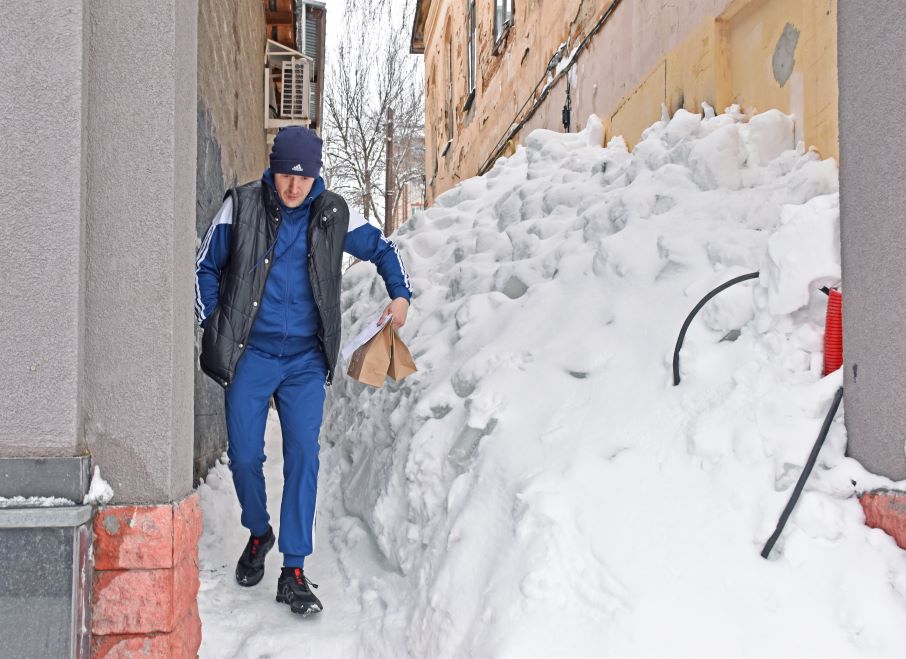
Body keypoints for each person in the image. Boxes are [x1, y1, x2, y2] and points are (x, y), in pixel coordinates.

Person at [194, 125, 411, 615]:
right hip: (251, 352)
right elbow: (205, 265)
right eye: (286, 175)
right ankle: (258, 531)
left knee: (303, 458)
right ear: (272, 169)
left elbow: (380, 247)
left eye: (304, 177)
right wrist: (214, 321)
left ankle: (293, 569)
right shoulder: (243, 205)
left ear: (316, 175)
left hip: (304, 361)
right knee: (246, 457)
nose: (294, 187)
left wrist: (400, 294)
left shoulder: (333, 214)